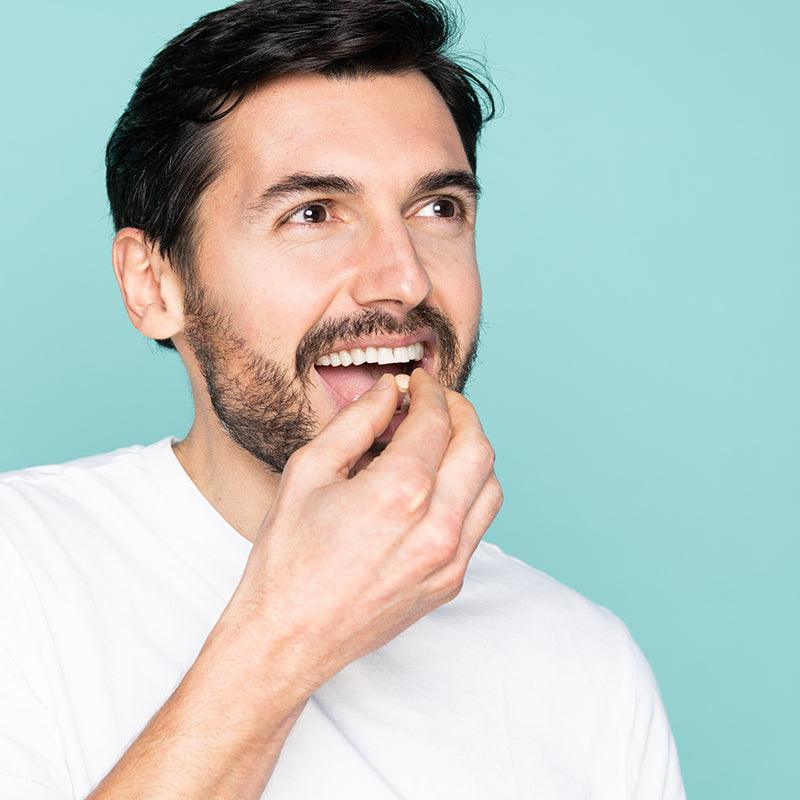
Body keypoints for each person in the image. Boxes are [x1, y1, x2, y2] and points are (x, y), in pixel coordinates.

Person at [0, 1, 687, 797]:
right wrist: (290, 634)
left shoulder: (589, 664)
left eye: (438, 209)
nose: (405, 279)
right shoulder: (21, 572)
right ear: (155, 285)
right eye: (313, 213)